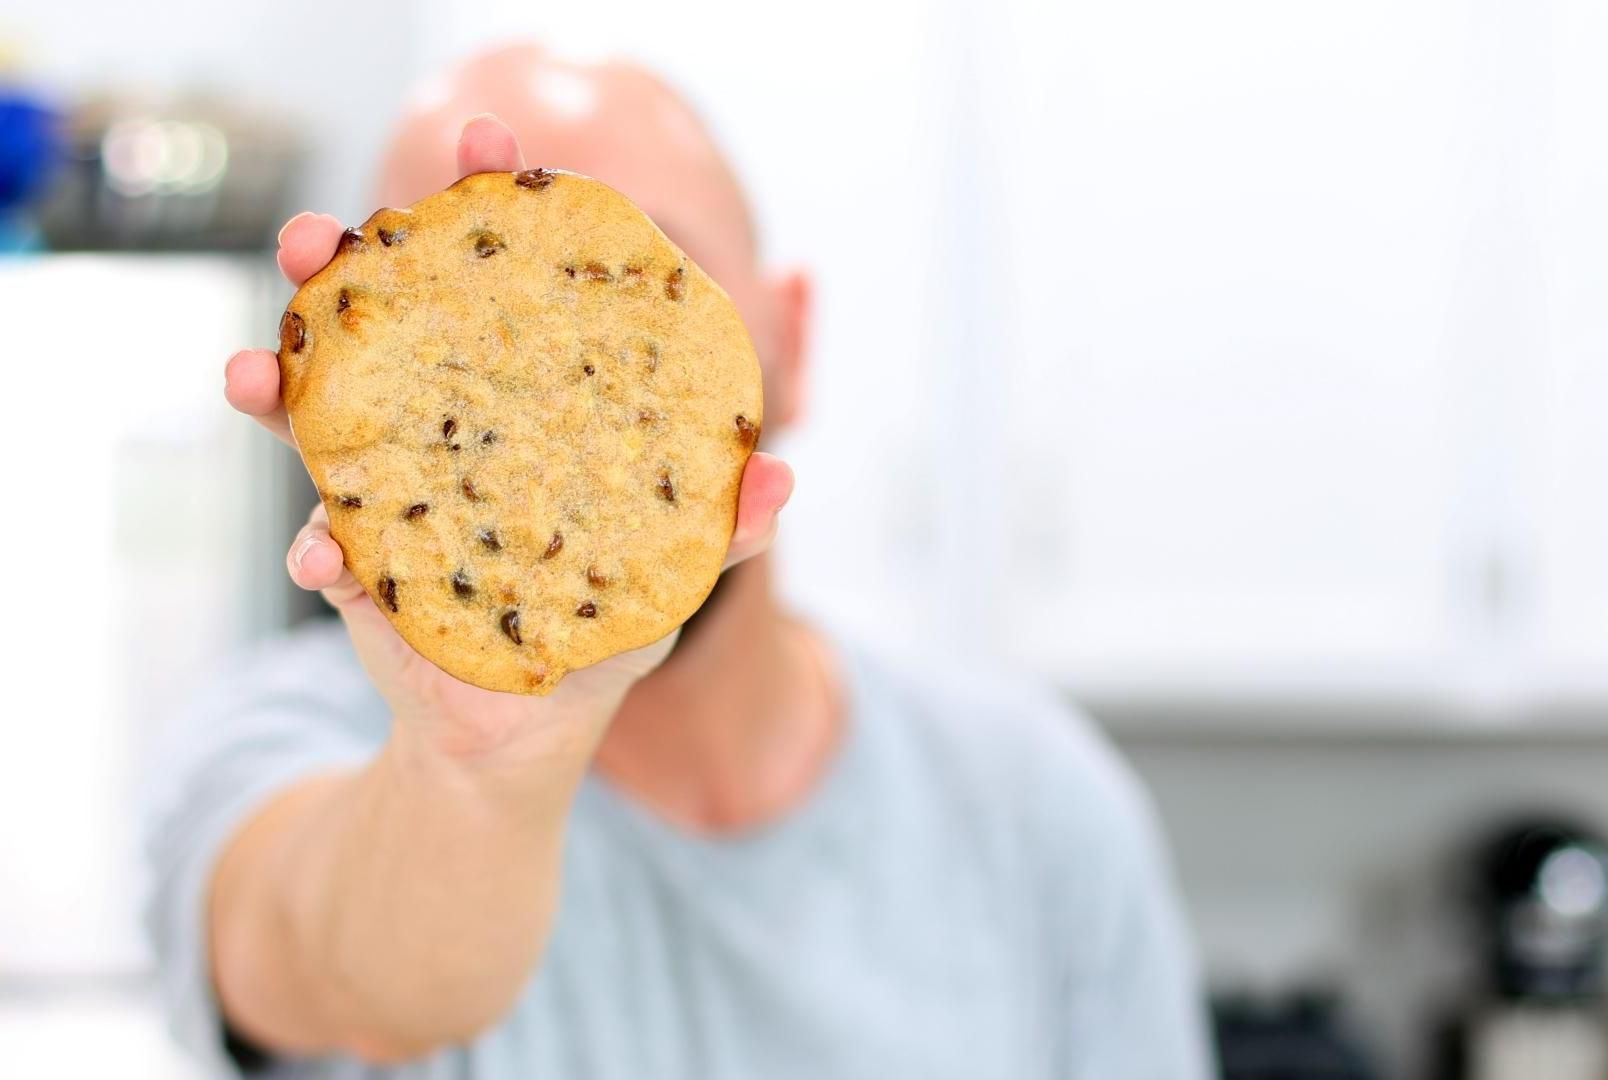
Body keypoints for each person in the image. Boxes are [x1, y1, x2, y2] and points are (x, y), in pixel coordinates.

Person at [144, 43, 1212, 1079]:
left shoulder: (1033, 802)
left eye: (656, 268)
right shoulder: (276, 737)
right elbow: (347, 978)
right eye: (459, 303)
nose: (559, 376)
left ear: (788, 342)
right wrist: (476, 769)